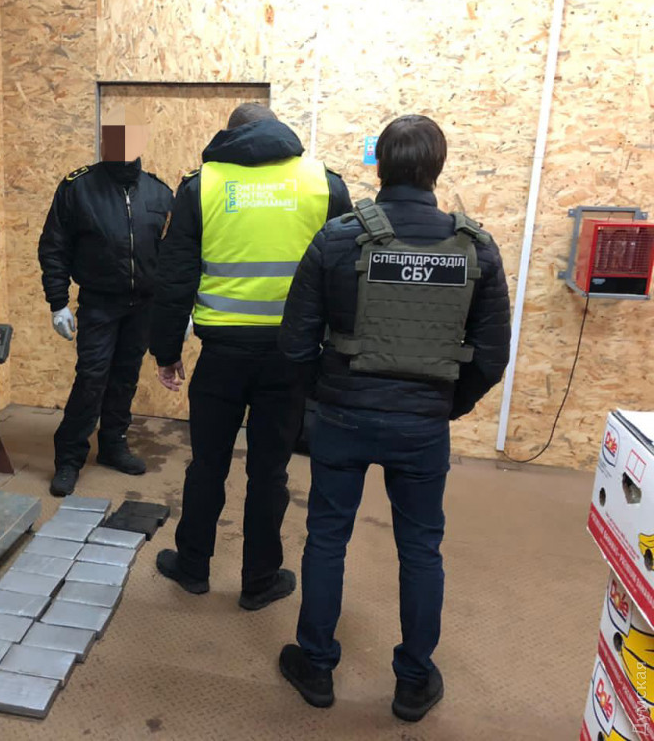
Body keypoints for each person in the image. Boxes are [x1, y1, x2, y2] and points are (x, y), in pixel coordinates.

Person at [276, 115, 512, 720]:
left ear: (379, 166)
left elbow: (296, 342)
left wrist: (323, 397)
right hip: (422, 426)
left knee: (327, 538)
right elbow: (491, 357)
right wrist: (445, 405)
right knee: (421, 548)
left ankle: (316, 666)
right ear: (437, 168)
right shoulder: (476, 247)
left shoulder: (337, 240)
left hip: (342, 417)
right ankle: (413, 681)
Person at [150, 103, 352, 610]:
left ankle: (193, 567)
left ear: (231, 135)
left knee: (207, 464)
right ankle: (260, 580)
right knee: (270, 472)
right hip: (291, 357)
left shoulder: (203, 186)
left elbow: (174, 277)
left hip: (222, 356)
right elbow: (346, 278)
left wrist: (166, 351)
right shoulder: (323, 184)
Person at [38, 105, 174, 497]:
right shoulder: (77, 188)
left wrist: (174, 310)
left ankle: (113, 444)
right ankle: (69, 457)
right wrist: (58, 302)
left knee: (126, 376)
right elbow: (54, 247)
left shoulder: (160, 192)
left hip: (144, 305)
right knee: (92, 376)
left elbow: (172, 256)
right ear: (104, 140)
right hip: (99, 302)